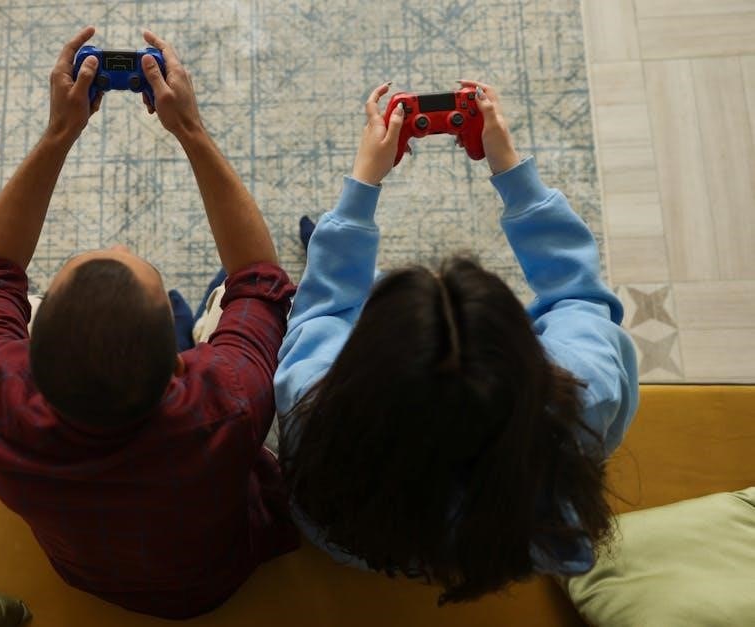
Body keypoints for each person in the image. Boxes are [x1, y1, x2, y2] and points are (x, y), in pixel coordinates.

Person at [0, 26, 298, 619]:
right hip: (214, 581)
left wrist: (60, 132)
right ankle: (191, 320)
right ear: (181, 371)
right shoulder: (229, 400)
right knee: (228, 293)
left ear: (29, 351)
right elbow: (260, 281)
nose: (117, 249)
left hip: (87, 574)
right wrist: (189, 128)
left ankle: (178, 319)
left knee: (223, 299)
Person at [273, 80, 640, 604]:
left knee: (355, 290)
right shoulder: (587, 393)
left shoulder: (314, 408)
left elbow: (320, 312)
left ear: (365, 369)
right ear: (522, 352)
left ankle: (343, 250)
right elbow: (579, 296)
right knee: (366, 293)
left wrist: (358, 199)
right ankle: (349, 257)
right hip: (492, 547)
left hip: (365, 541)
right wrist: (511, 172)